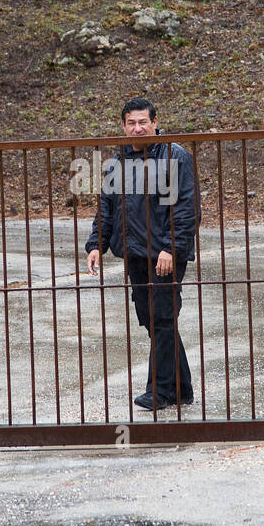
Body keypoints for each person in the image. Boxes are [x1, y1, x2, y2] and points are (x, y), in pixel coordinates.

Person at [85, 97, 197, 411]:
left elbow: (187, 209)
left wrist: (171, 249)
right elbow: (106, 209)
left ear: (155, 122)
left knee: (162, 317)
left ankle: (159, 391)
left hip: (164, 255)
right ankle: (181, 389)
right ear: (123, 126)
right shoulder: (117, 162)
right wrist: (96, 243)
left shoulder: (175, 156)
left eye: (143, 122)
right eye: (131, 123)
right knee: (153, 321)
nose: (137, 128)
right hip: (135, 253)